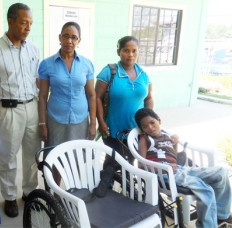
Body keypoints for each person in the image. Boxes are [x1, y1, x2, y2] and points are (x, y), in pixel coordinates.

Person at [0, 3, 41, 218]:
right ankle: (10, 196)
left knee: (32, 155)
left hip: (31, 107)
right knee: (8, 157)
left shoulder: (33, 49)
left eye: (30, 24)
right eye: (24, 23)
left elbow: (36, 80)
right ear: (11, 21)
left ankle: (29, 193)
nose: (28, 27)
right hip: (7, 110)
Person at [135, 107, 232, 228]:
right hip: (164, 174)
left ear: (159, 120)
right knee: (206, 190)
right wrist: (162, 168)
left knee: (221, 172)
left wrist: (174, 143)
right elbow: (140, 164)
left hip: (180, 169)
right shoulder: (145, 139)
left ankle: (221, 215)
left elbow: (173, 157)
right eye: (145, 126)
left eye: (152, 123)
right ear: (142, 129)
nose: (150, 127)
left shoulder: (167, 135)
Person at [38, 21, 96, 183]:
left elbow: (91, 95)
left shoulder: (86, 64)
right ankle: (55, 197)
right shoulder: (47, 64)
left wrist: (92, 123)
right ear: (60, 37)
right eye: (66, 36)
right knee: (55, 158)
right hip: (55, 119)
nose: (69, 41)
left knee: (76, 158)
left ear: (79, 41)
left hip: (80, 120)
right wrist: (42, 123)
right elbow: (42, 96)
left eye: (74, 37)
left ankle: (71, 191)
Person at [95, 35, 153, 166]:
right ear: (118, 52)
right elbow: (97, 97)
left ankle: (126, 186)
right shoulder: (109, 72)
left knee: (131, 162)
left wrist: (149, 120)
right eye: (126, 50)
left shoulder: (144, 73)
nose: (130, 54)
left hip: (137, 129)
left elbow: (149, 98)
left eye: (134, 51)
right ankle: (106, 186)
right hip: (113, 130)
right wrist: (101, 122)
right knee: (112, 163)